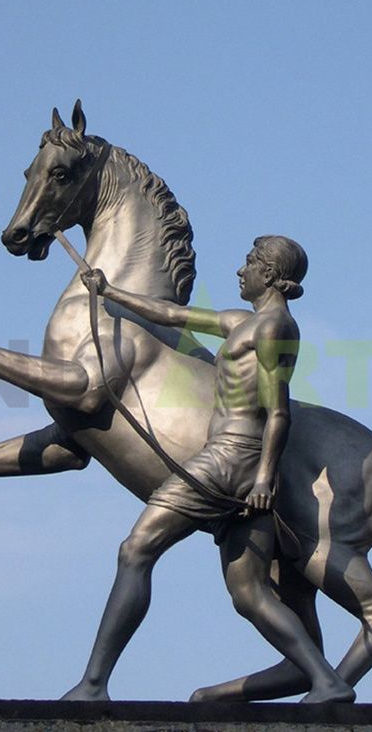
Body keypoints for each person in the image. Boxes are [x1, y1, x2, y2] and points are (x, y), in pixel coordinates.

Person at [62, 235, 355, 704]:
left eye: (249, 263)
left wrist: (263, 478)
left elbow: (278, 412)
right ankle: (327, 680)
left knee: (136, 549)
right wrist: (109, 292)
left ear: (269, 274)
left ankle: (93, 684)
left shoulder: (274, 328)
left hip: (231, 459)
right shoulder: (243, 322)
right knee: (250, 594)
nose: (241, 271)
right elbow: (173, 315)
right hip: (238, 462)